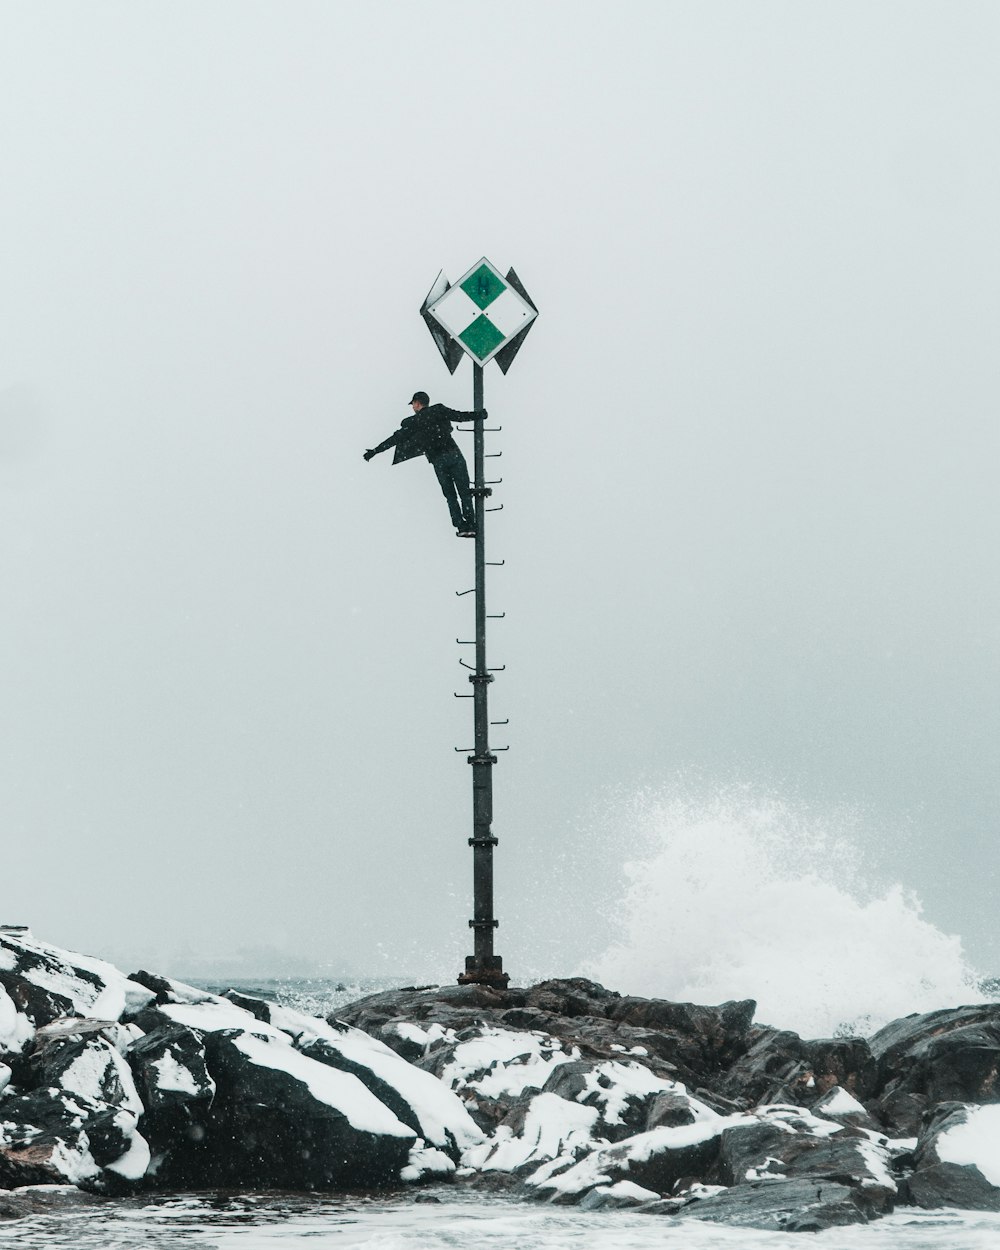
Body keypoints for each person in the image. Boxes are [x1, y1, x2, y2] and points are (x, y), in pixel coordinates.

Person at [363, 392, 486, 536]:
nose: (412, 407)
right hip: (454, 454)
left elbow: (394, 439)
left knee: (450, 495)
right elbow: (460, 416)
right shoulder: (439, 410)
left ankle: (461, 526)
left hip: (438, 461)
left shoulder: (413, 422)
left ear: (417, 403)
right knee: (464, 492)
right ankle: (471, 524)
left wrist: (375, 451)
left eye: (413, 404)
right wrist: (479, 415)